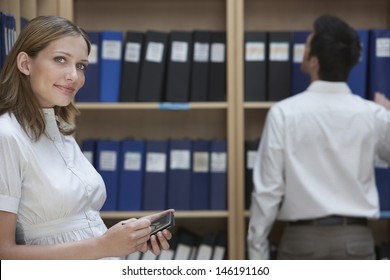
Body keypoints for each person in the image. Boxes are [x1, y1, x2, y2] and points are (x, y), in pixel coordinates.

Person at [0, 15, 173, 260]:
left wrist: (128, 236)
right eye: (60, 60)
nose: (74, 76)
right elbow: (4, 254)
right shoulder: (6, 136)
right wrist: (104, 246)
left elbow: (80, 225)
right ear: (25, 64)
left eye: (81, 65)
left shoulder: (61, 130)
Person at [247, 14, 390, 260]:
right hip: (356, 242)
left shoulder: (284, 113)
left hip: (301, 244)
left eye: (308, 43)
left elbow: (267, 192)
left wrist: (257, 254)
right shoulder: (373, 114)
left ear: (314, 62)